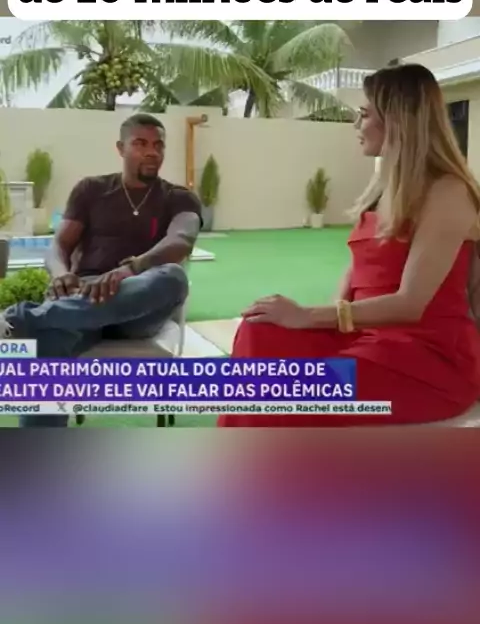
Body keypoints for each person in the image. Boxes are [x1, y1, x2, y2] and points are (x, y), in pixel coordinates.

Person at [218, 63, 480, 428]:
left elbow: (410, 303)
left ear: (398, 120)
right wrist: (313, 323)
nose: (357, 125)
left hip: (424, 358)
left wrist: (307, 316)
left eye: (364, 114)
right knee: (259, 330)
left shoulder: (447, 192)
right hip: (365, 337)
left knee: (293, 391)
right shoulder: (384, 188)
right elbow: (357, 272)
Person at [1, 113, 202, 428]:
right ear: (121, 148)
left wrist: (130, 270)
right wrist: (61, 274)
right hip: (84, 300)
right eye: (141, 143)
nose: (152, 152)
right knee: (49, 343)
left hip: (138, 306)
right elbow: (58, 245)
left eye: (158, 145)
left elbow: (182, 240)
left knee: (173, 277)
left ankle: (22, 319)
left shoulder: (178, 197)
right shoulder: (91, 190)